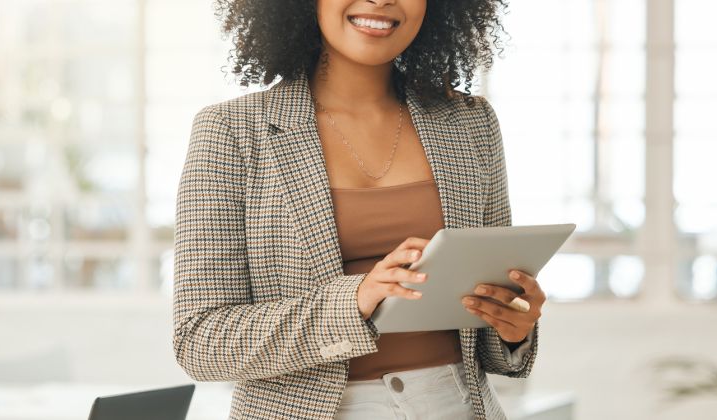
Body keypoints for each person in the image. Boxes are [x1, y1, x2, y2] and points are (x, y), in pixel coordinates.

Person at [171, 0, 547, 419]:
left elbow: (492, 326)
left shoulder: (471, 122)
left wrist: (514, 323)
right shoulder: (231, 132)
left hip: (455, 405)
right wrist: (357, 299)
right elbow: (200, 341)